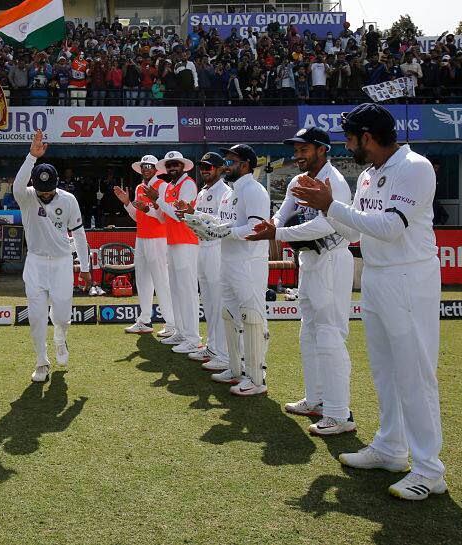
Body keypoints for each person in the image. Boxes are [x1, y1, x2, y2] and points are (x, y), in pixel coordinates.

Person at [292, 103, 447, 500]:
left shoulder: (415, 167)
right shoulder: (367, 175)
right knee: (385, 370)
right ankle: (391, 449)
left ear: (368, 137)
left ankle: (430, 471)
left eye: (350, 137)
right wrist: (325, 209)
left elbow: (392, 228)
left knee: (415, 374)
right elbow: (354, 229)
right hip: (377, 276)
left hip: (409, 277)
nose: (346, 145)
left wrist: (331, 205)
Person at [248, 127, 358, 435]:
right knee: (308, 331)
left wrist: (278, 234)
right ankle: (316, 399)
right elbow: (282, 214)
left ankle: (340, 414)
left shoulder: (333, 182)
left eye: (303, 149)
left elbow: (326, 225)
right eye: (296, 149)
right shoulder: (298, 180)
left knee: (330, 335)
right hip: (308, 260)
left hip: (333, 259)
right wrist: (269, 226)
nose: (297, 155)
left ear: (322, 149)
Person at [178, 144, 270, 396]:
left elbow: (256, 228)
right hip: (227, 261)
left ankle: (257, 377)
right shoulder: (232, 193)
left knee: (252, 318)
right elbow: (223, 222)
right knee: (230, 316)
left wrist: (223, 231)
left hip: (249, 264)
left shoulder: (254, 190)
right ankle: (236, 367)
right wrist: (200, 220)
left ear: (246, 164)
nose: (227, 165)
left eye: (232, 161)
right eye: (227, 160)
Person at [13, 130, 91, 382]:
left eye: (48, 190)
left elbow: (79, 234)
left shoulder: (68, 200)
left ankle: (60, 337)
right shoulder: (26, 197)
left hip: (61, 264)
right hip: (35, 263)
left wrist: (86, 266)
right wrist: (30, 157)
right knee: (36, 318)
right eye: (40, 190)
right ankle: (41, 362)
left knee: (61, 315)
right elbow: (17, 184)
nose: (44, 195)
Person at [145, 152, 201, 354]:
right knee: (176, 291)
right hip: (173, 241)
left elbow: (179, 216)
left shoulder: (187, 184)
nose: (172, 168)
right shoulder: (170, 187)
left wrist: (158, 200)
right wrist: (148, 208)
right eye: (169, 165)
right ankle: (180, 331)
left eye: (175, 164)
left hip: (187, 241)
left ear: (183, 166)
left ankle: (193, 338)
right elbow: (162, 218)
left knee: (187, 291)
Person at [114, 155, 175, 336]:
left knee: (161, 281)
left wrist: (147, 210)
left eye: (150, 166)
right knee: (142, 280)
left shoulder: (162, 186)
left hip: (157, 238)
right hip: (141, 237)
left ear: (156, 169)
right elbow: (137, 217)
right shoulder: (140, 187)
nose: (146, 168)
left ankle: (171, 324)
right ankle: (144, 320)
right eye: (143, 166)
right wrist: (127, 203)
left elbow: (163, 216)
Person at [187, 153, 230, 371]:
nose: (205, 170)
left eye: (209, 167)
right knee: (208, 300)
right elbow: (200, 218)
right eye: (202, 166)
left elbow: (223, 223)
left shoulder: (225, 191)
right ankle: (212, 346)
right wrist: (188, 213)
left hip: (215, 248)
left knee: (218, 301)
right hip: (201, 246)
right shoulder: (203, 191)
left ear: (221, 169)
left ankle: (223, 353)